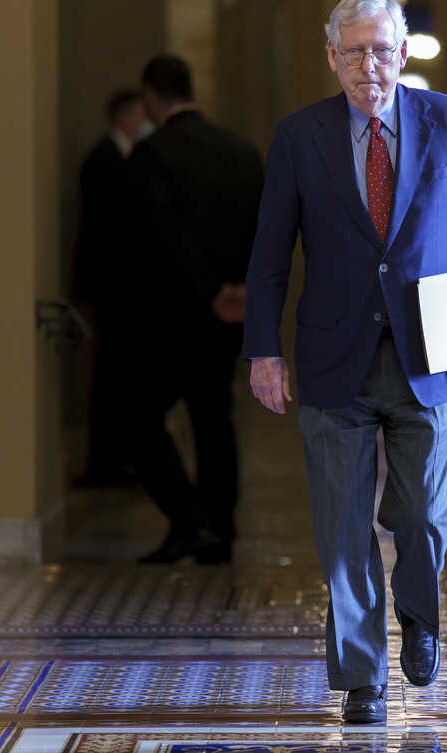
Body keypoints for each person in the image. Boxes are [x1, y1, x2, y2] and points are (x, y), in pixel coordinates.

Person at [243, 0, 447, 723]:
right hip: (334, 357)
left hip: (432, 355)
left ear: (402, 52)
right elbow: (269, 256)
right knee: (342, 525)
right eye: (354, 52)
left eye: (382, 50)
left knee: (423, 509)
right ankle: (363, 678)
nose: (369, 66)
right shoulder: (300, 137)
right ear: (332, 57)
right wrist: (263, 351)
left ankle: (419, 615)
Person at [123, 54, 263, 564]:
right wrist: (240, 286)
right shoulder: (241, 153)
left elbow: (159, 237)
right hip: (229, 314)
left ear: (150, 96)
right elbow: (264, 228)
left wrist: (207, 290)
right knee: (214, 419)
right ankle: (219, 531)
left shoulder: (150, 154)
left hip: (167, 315)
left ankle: (189, 521)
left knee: (138, 420)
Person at [72, 89, 152, 488]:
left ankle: (119, 457)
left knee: (121, 374)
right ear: (125, 116)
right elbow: (101, 230)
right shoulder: (103, 160)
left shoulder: (124, 156)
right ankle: (104, 461)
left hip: (123, 286)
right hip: (112, 286)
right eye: (140, 113)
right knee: (110, 375)